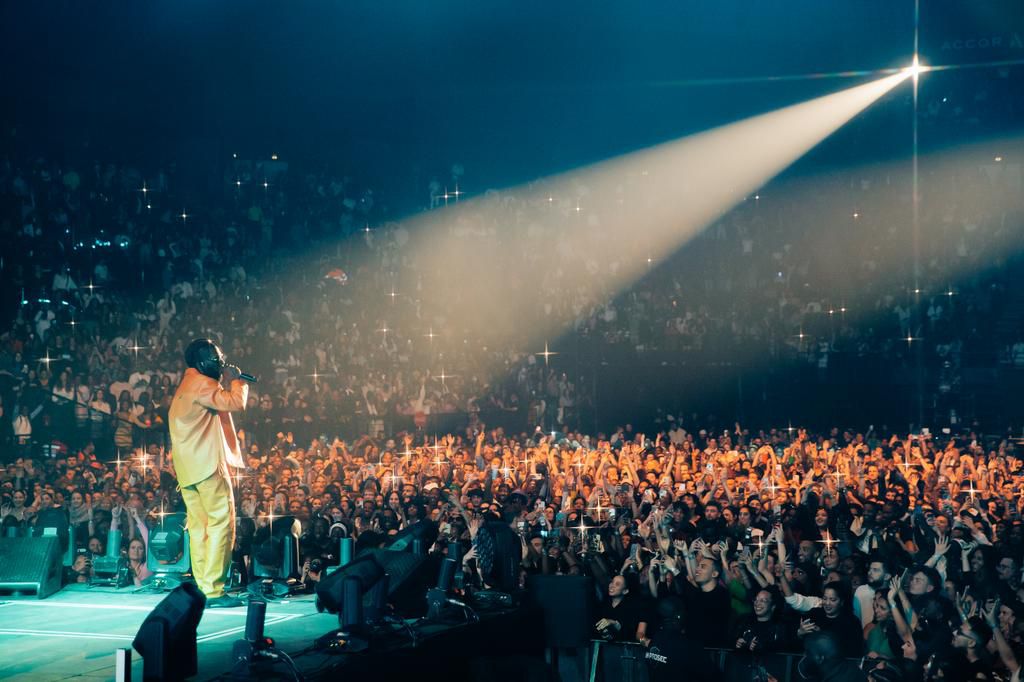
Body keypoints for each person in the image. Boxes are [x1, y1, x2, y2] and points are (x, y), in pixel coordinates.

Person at [168, 338, 248, 608]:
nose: (221, 362)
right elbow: (235, 402)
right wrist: (235, 380)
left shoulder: (185, 386)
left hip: (189, 471)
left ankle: (204, 587)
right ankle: (214, 589)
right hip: (208, 467)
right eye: (216, 358)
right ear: (202, 362)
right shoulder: (203, 383)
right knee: (221, 526)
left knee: (200, 528)